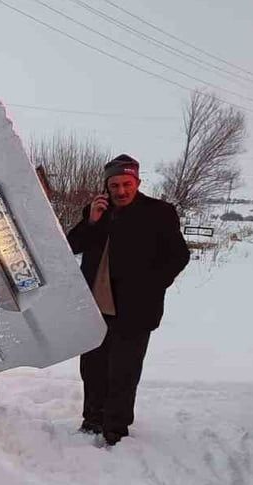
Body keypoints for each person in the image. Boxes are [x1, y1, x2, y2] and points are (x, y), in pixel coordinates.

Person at [66, 154, 190, 446]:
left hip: (135, 311)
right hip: (96, 308)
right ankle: (92, 420)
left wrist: (153, 285)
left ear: (137, 182)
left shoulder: (159, 212)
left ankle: (115, 428)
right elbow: (73, 245)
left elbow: (178, 256)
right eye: (115, 185)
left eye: (127, 184)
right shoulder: (98, 210)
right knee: (92, 368)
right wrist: (92, 221)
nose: (121, 191)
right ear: (106, 186)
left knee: (123, 371)